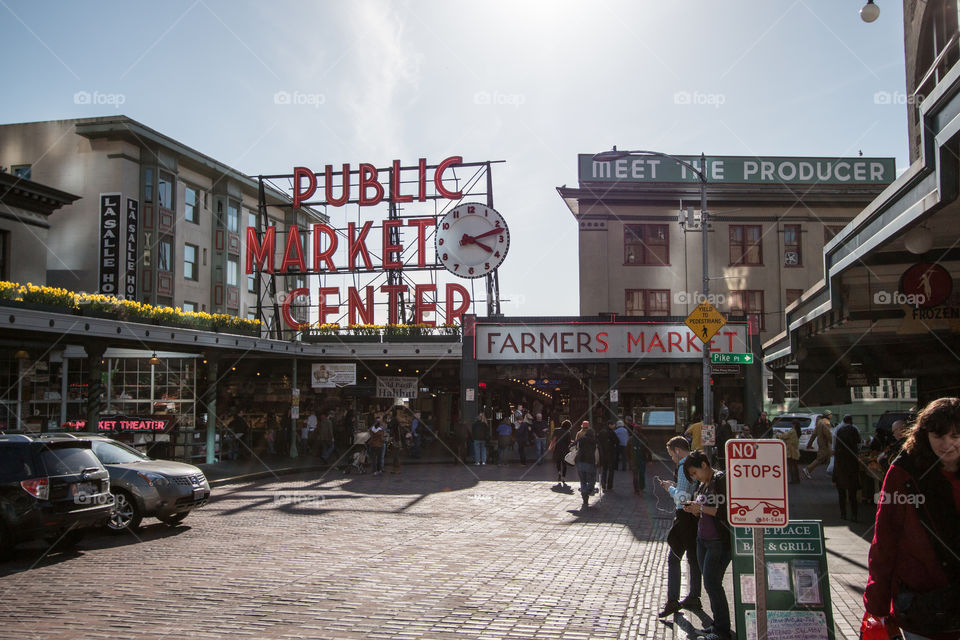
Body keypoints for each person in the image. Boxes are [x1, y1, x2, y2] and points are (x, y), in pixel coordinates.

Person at [863, 397, 960, 640]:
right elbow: (885, 539)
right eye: (938, 436)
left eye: (955, 437)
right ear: (925, 435)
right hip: (922, 605)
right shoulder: (903, 472)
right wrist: (877, 604)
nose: (947, 444)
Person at [683, 450, 732, 640]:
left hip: (717, 542)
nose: (695, 477)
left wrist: (700, 508)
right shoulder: (704, 484)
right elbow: (704, 510)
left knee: (712, 584)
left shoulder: (720, 480)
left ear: (704, 464)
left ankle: (722, 630)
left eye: (695, 472)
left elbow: (725, 511)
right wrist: (695, 509)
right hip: (703, 539)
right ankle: (717, 625)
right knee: (711, 584)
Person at [657, 436, 702, 618]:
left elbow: (682, 498)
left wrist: (670, 488)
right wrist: (676, 486)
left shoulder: (684, 466)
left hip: (684, 517)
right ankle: (694, 596)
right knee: (693, 558)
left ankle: (673, 601)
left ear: (677, 450)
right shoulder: (695, 463)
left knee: (674, 559)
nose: (672, 459)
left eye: (671, 455)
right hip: (694, 517)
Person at [833, 414, 862, 521]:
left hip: (841, 473)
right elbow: (859, 443)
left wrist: (834, 477)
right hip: (852, 473)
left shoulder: (839, 448)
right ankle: (854, 515)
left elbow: (836, 462)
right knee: (852, 496)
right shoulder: (853, 451)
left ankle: (843, 514)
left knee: (841, 495)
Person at [574, 421, 598, 510]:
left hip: (580, 460)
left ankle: (585, 497)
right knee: (592, 479)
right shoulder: (594, 441)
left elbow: (574, 444)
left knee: (582, 480)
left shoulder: (579, 434)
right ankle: (587, 490)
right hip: (590, 461)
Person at [803, 410, 834, 478]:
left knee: (829, 457)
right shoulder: (826, 422)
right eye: (830, 414)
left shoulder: (819, 422)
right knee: (821, 458)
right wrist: (832, 442)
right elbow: (828, 434)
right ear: (827, 415)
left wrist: (810, 443)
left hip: (820, 442)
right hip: (825, 443)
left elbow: (814, 434)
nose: (831, 415)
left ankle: (830, 472)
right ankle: (808, 469)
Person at [550, 419, 574, 489]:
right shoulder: (568, 432)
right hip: (564, 450)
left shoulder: (556, 430)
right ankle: (563, 477)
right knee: (564, 464)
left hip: (557, 449)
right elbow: (568, 442)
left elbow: (553, 439)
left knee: (558, 462)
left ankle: (559, 472)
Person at [629, 421, 651, 493]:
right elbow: (648, 450)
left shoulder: (631, 439)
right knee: (641, 473)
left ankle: (637, 488)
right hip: (641, 458)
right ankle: (641, 487)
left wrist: (629, 458)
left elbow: (627, 450)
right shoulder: (644, 439)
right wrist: (649, 459)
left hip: (635, 458)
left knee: (635, 474)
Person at [776, 420, 801, 484]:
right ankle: (797, 479)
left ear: (794, 424)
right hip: (795, 451)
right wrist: (782, 432)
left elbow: (783, 437)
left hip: (790, 451)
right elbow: (788, 436)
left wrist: (777, 434)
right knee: (795, 466)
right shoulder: (797, 431)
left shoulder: (792, 431)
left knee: (791, 466)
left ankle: (793, 480)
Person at [597, 420, 619, 493]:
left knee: (604, 469)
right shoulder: (611, 432)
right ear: (610, 425)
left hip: (603, 454)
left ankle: (603, 484)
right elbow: (617, 441)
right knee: (611, 470)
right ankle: (609, 485)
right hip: (610, 453)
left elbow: (598, 441)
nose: (614, 426)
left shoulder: (601, 432)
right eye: (613, 425)